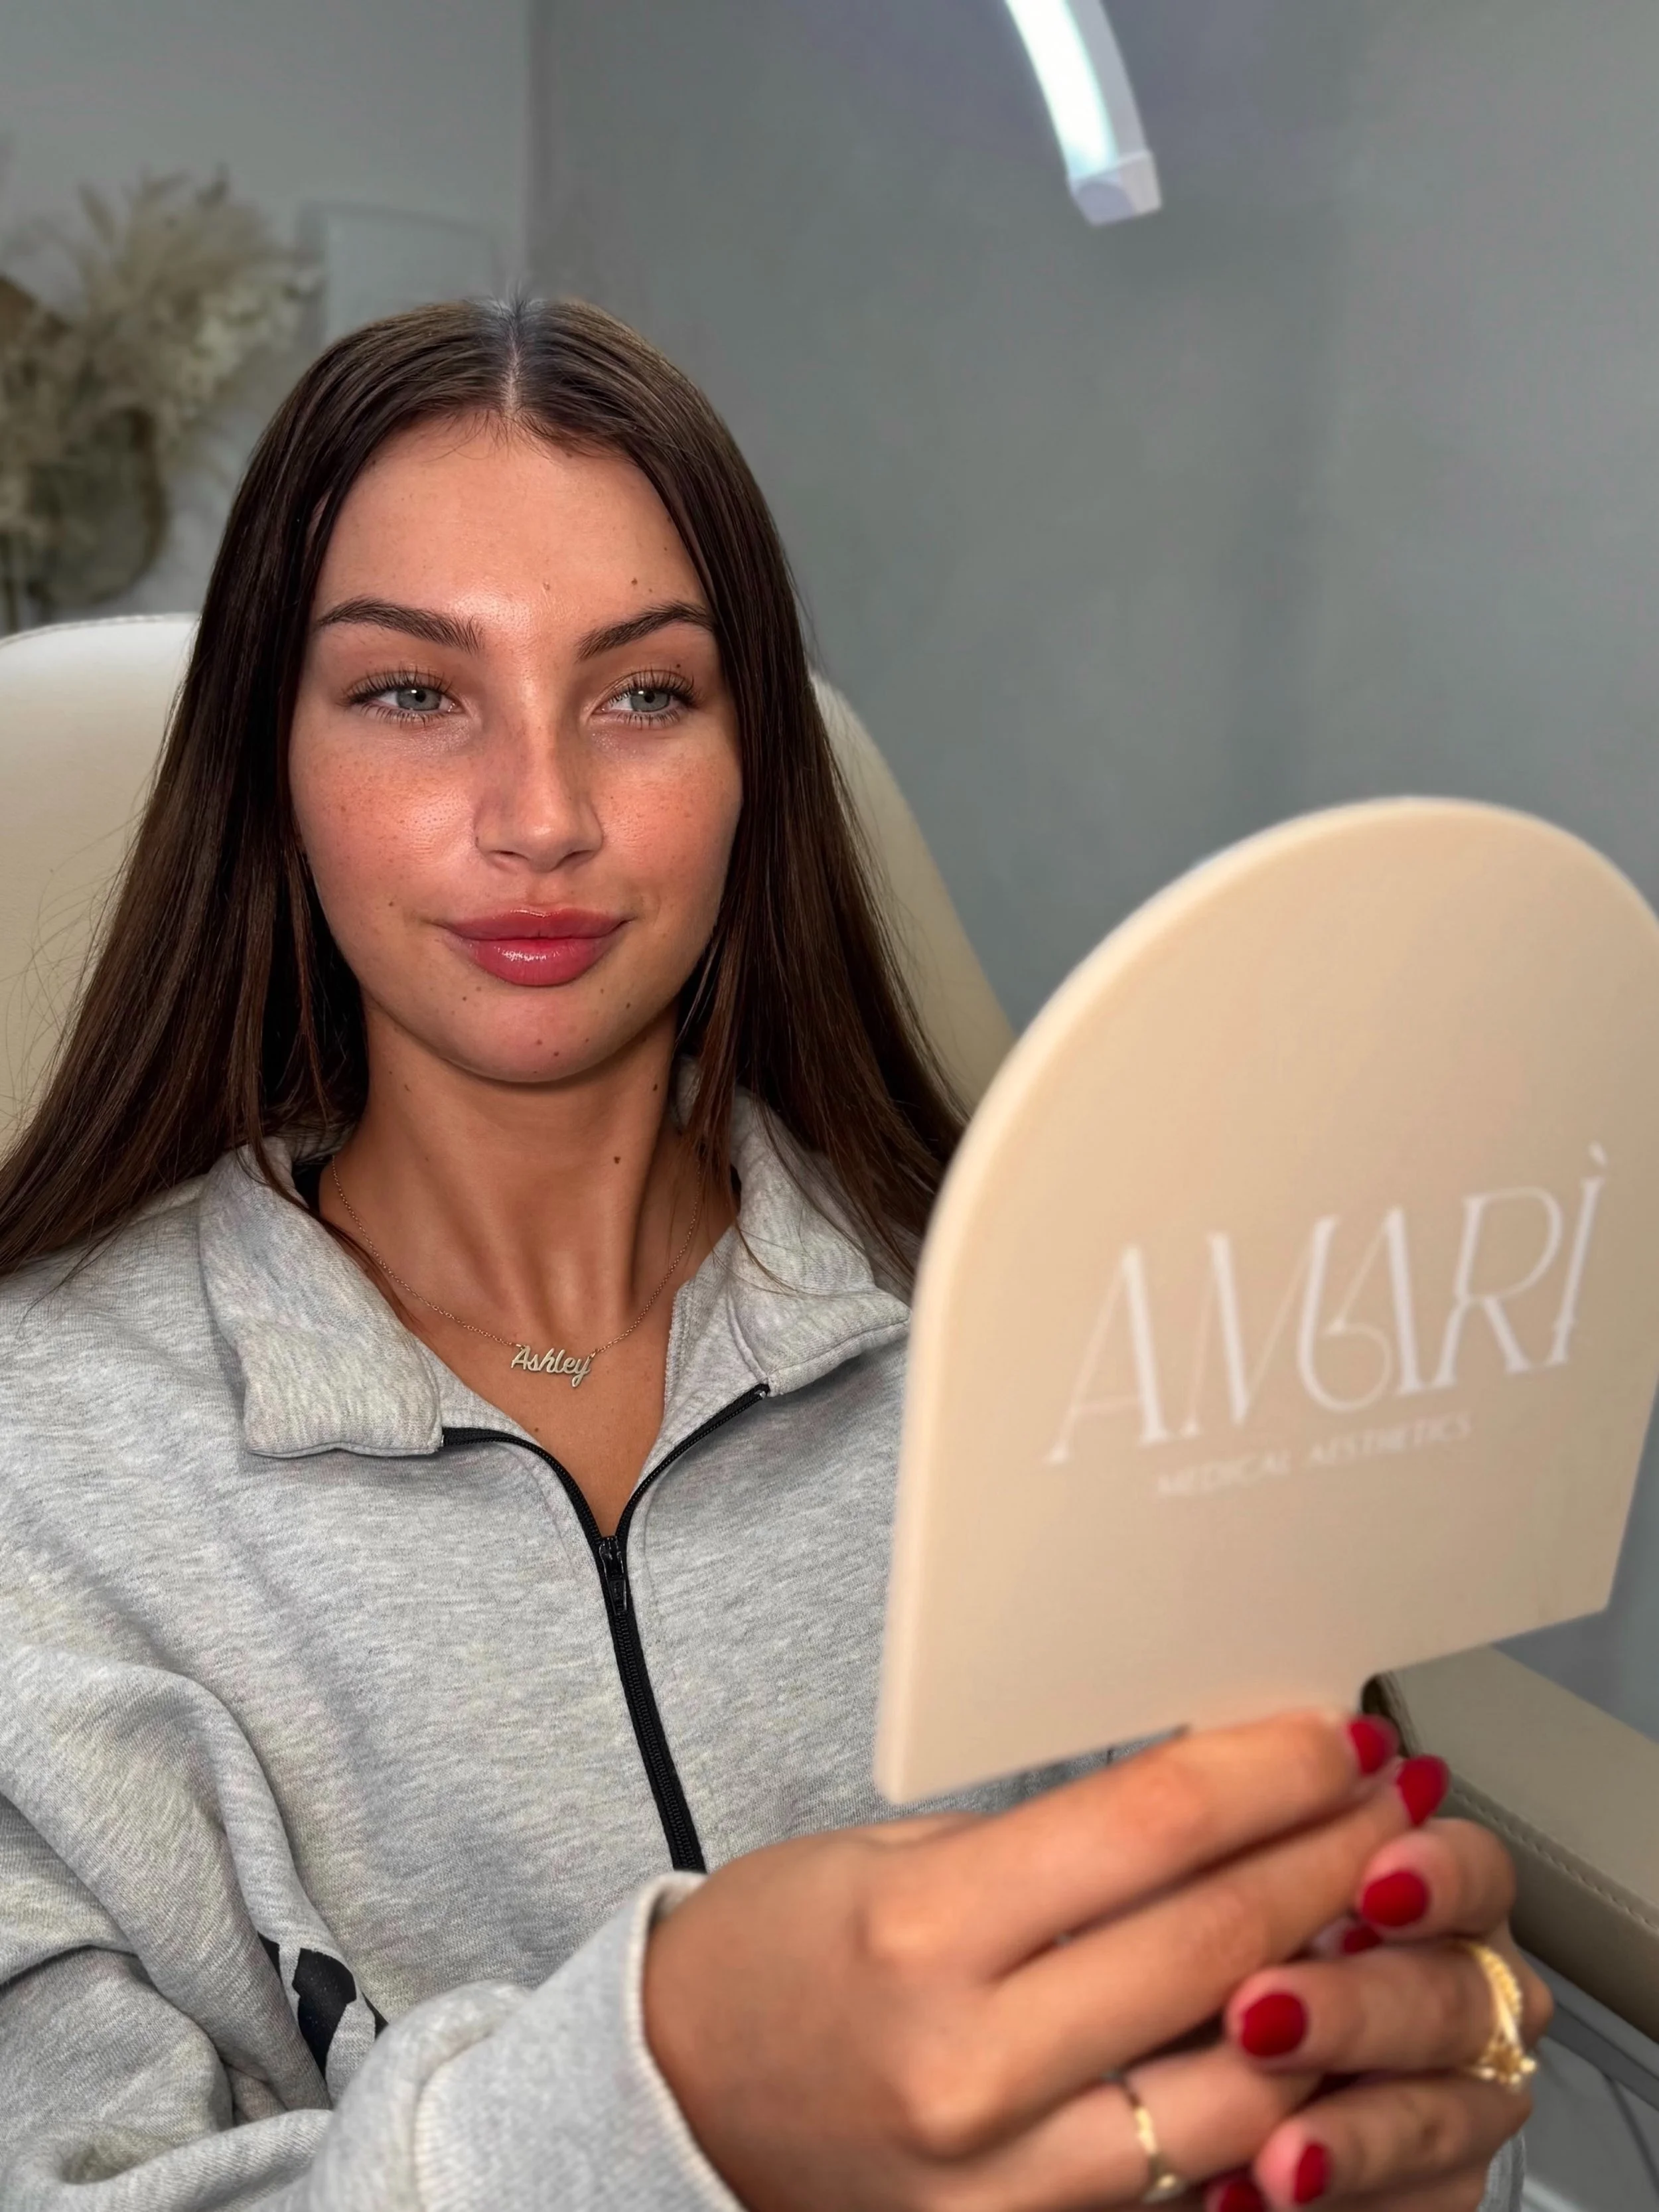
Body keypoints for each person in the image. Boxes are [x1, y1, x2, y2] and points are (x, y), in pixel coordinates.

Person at [0, 299, 1542, 2212]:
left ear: (753, 768)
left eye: (643, 693)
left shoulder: (1071, 1338)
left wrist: (1390, 2141)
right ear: (269, 759)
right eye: (412, 692)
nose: (543, 816)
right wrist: (658, 2104)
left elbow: (1305, 2020)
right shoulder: (35, 1468)